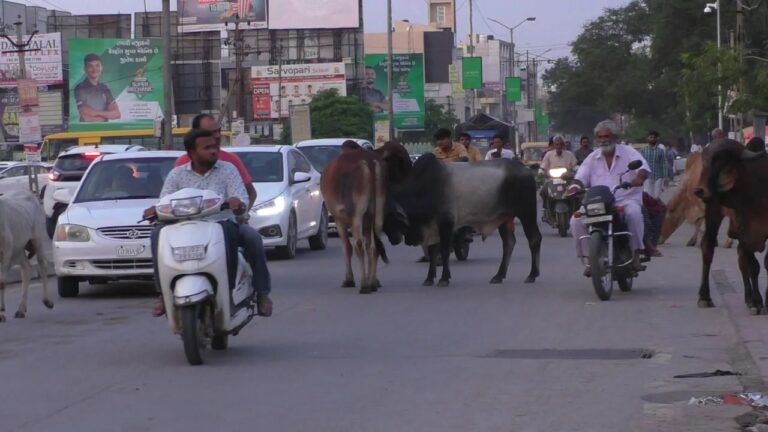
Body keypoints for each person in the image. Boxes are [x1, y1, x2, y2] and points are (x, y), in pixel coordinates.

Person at [144, 129, 273, 318]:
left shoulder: (228, 169)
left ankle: (261, 293)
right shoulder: (176, 175)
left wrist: (238, 205)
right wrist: (155, 210)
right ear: (192, 153)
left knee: (252, 237)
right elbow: (165, 201)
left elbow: (241, 197)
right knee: (157, 234)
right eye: (207, 148)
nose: (213, 151)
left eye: (215, 147)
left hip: (222, 225)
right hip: (183, 228)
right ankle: (163, 294)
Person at [568, 120, 650, 276]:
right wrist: (575, 186)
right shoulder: (592, 158)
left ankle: (636, 254)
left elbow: (643, 168)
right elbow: (581, 176)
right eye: (600, 137)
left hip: (625, 199)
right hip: (598, 202)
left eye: (607, 136)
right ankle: (588, 259)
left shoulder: (629, 152)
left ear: (615, 137)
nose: (603, 140)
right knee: (576, 220)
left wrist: (639, 178)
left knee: (634, 213)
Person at [175, 114, 257, 210]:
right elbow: (167, 200)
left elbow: (248, 194)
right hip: (188, 222)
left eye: (218, 131)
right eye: (211, 133)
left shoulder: (229, 165)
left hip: (224, 221)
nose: (217, 135)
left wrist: (241, 212)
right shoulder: (179, 169)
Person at [74, 53, 121, 122]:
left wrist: (95, 113)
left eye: (97, 65)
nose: (95, 69)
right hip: (87, 130)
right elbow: (86, 118)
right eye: (90, 66)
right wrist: (106, 115)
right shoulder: (80, 88)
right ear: (85, 69)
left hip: (105, 130)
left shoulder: (105, 88)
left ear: (101, 67)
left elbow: (117, 114)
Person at [639, 131, 668, 200]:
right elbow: (640, 164)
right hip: (647, 177)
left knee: (657, 197)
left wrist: (666, 178)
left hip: (658, 176)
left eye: (654, 137)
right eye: (650, 137)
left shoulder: (660, 151)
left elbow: (664, 164)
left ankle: (658, 209)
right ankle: (650, 210)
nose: (652, 139)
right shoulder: (643, 150)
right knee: (649, 196)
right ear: (647, 138)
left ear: (656, 139)